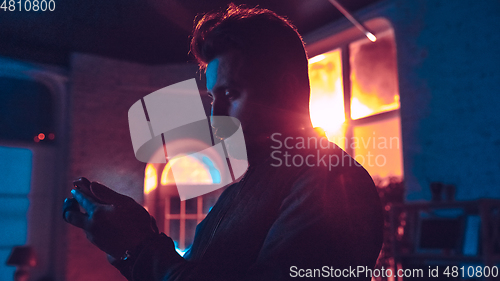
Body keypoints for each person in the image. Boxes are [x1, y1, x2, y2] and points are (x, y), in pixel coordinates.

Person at [63, 4, 383, 280]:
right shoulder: (251, 184)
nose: (217, 117)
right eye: (214, 98)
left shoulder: (333, 183)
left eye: (231, 94)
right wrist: (135, 236)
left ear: (287, 90)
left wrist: (138, 247)